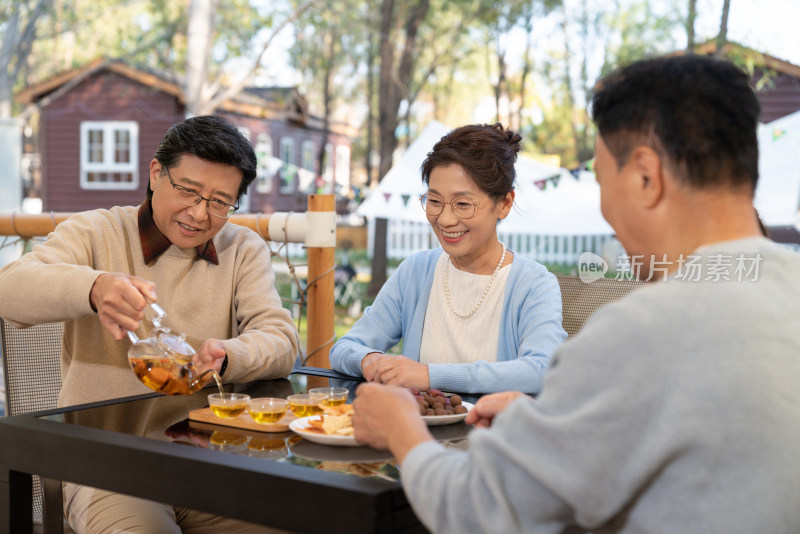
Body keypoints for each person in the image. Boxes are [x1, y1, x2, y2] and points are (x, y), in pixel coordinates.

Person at [351, 55, 800, 533]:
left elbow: (480, 510)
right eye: (435, 201)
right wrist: (546, 417)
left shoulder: (644, 330)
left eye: (603, 181)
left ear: (645, 177)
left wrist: (402, 430)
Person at [0, 114, 299, 533]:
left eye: (219, 202)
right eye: (188, 191)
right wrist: (94, 287)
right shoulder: (96, 232)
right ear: (156, 173)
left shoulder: (242, 249)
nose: (199, 214)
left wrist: (230, 356)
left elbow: (282, 340)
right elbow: (9, 290)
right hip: (106, 469)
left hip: (215, 465)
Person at [330, 123, 566, 394]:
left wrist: (430, 375)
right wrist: (369, 360)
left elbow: (541, 370)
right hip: (415, 433)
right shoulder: (417, 271)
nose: (445, 219)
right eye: (434, 201)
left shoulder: (533, 284)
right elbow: (345, 348)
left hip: (494, 435)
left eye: (463, 204)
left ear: (504, 203)